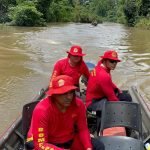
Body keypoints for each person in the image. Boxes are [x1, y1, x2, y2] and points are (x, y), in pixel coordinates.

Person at [27, 75, 105, 150]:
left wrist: (88, 147)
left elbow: (83, 129)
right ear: (54, 95)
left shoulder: (79, 105)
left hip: (68, 139)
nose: (69, 97)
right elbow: (40, 144)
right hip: (46, 142)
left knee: (98, 146)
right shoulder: (42, 110)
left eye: (71, 92)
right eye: (64, 93)